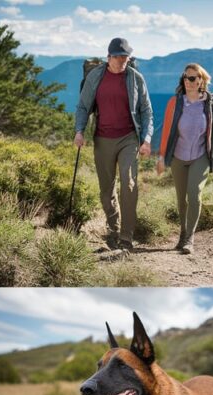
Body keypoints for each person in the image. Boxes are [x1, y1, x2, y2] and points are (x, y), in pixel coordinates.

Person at [74, 38, 153, 251]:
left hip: (128, 138)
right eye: (119, 57)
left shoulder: (136, 78)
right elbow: (83, 106)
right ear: (109, 57)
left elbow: (146, 110)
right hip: (102, 138)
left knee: (128, 184)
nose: (123, 60)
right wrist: (79, 131)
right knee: (106, 190)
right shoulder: (95, 76)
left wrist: (146, 139)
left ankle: (126, 238)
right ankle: (113, 228)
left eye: (126, 57)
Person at [155, 63, 213, 255]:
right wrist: (162, 156)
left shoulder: (210, 103)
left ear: (201, 81)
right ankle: (182, 233)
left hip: (200, 155)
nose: (189, 81)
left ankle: (189, 238)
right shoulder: (175, 102)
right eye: (186, 77)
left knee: (194, 193)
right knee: (181, 200)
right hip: (179, 157)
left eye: (193, 78)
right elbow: (166, 132)